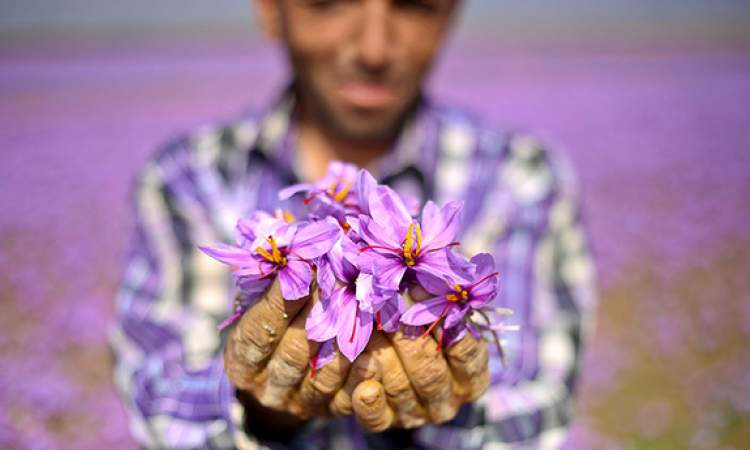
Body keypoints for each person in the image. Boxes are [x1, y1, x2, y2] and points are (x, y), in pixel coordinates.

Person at [111, 1, 597, 448]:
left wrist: (455, 415)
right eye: (331, 0)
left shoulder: (520, 180)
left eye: (413, 3)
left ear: (450, 12)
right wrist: (258, 405)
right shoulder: (189, 178)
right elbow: (162, 402)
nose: (374, 49)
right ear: (268, 8)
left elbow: (539, 406)